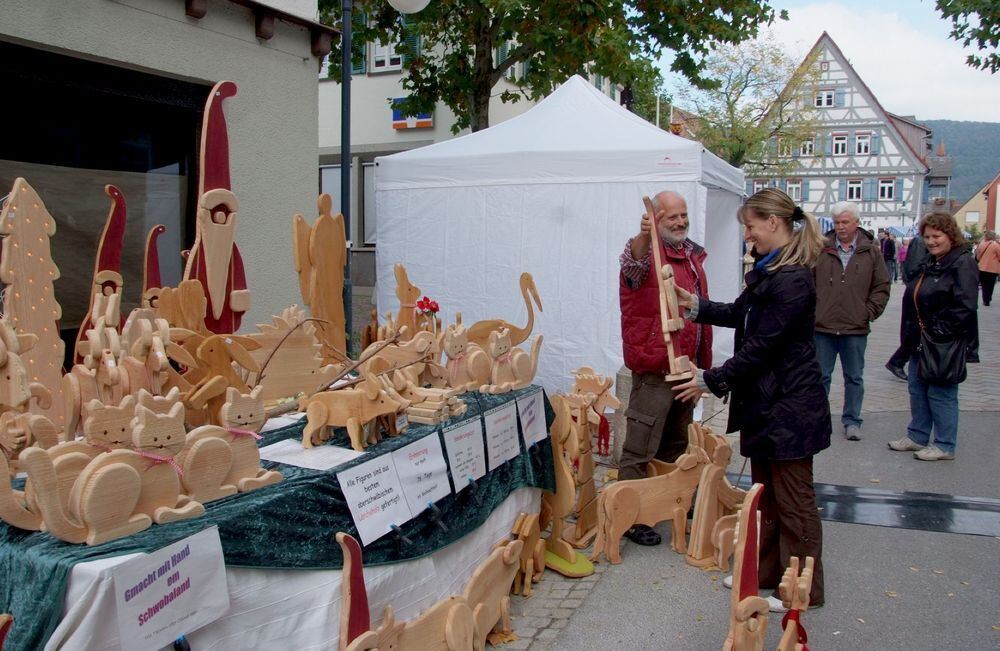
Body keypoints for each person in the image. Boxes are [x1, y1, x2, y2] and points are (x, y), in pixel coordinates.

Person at [672, 187, 830, 611]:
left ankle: (802, 590)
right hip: (768, 406)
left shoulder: (793, 279)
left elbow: (762, 347)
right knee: (766, 497)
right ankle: (765, 573)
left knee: (794, 502)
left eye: (751, 226)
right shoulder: (772, 271)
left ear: (773, 223)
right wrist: (696, 307)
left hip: (790, 408)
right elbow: (741, 312)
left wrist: (710, 379)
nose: (748, 235)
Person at [618, 190, 712, 546]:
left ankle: (669, 501)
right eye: (672, 216)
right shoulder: (645, 254)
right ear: (655, 218)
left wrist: (703, 364)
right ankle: (629, 514)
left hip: (685, 366)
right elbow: (633, 262)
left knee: (675, 443)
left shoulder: (690, 254)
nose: (681, 221)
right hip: (656, 365)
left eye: (683, 215)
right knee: (640, 447)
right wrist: (644, 235)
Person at [888, 213, 979, 461]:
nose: (931, 241)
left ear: (950, 235)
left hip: (944, 342)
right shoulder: (933, 261)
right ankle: (917, 435)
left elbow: (966, 306)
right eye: (927, 236)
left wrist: (939, 330)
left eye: (936, 236)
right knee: (917, 388)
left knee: (941, 393)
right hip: (922, 339)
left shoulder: (962, 263)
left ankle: (944, 444)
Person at [813, 202, 890, 441]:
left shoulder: (871, 251)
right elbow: (807, 282)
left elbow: (882, 286)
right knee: (820, 376)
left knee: (854, 377)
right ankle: (818, 419)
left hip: (855, 328)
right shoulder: (821, 248)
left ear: (856, 222)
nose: (840, 227)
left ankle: (852, 420)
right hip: (823, 326)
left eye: (845, 222)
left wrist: (868, 312)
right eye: (836, 223)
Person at [975, 230, 999, 306]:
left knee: (984, 285)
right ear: (993, 236)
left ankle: (985, 298)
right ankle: (988, 299)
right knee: (990, 285)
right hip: (992, 269)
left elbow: (978, 257)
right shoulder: (996, 245)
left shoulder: (981, 244)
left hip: (981, 267)